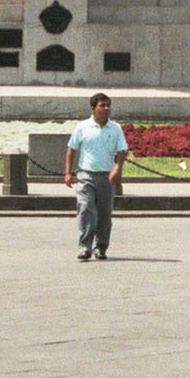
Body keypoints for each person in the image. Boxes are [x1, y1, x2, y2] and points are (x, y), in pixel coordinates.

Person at [64, 92, 128, 262]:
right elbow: (72, 149)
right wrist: (68, 172)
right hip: (85, 175)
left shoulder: (115, 128)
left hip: (106, 177)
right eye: (102, 105)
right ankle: (84, 247)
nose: (106, 109)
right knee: (85, 209)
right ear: (93, 108)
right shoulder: (82, 127)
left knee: (105, 215)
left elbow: (122, 151)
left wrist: (117, 169)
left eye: (108, 105)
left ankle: (100, 247)